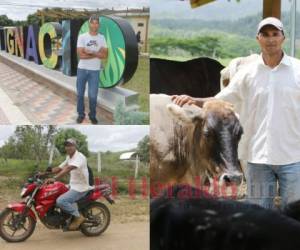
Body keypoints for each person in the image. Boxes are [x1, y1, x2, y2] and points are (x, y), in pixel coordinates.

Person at [172, 17, 300, 209]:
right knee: (257, 216)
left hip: (293, 158)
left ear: (284, 38)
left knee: (295, 216)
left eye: (275, 34)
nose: (270, 39)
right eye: (265, 34)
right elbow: (223, 99)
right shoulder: (247, 73)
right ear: (258, 39)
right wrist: (195, 100)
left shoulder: (297, 70)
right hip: (257, 159)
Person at [45, 138, 91, 230]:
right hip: (72, 185)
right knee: (53, 193)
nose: (68, 147)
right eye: (67, 145)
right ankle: (66, 217)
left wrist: (54, 178)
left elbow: (68, 168)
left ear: (75, 146)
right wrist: (44, 173)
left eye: (71, 145)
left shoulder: (79, 157)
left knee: (61, 201)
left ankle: (78, 217)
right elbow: (59, 168)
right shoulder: (69, 157)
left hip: (80, 187)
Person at [76, 14, 108, 124]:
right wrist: (97, 54)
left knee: (93, 96)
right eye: (92, 22)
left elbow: (105, 55)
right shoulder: (82, 37)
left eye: (96, 23)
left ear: (99, 25)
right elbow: (81, 55)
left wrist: (91, 52)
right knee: (80, 94)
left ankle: (92, 115)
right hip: (82, 69)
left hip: (95, 71)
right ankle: (81, 114)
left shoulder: (102, 38)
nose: (94, 25)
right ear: (89, 24)